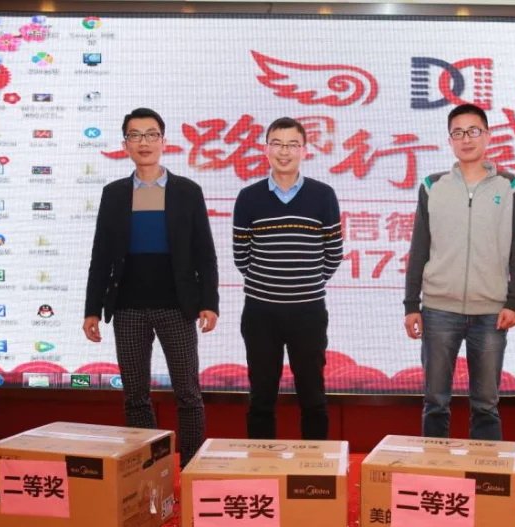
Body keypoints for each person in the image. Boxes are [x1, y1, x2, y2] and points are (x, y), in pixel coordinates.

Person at [83, 107, 219, 469]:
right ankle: (149, 471)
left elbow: (205, 253)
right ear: (125, 144)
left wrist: (209, 302)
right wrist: (92, 309)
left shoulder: (187, 191)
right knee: (135, 397)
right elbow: (101, 256)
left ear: (163, 141)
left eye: (151, 134)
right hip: (127, 308)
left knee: (188, 394)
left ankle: (191, 467)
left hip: (178, 306)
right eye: (135, 135)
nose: (144, 142)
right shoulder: (114, 194)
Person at [403, 103, 515, 440]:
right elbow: (419, 249)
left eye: (473, 131)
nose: (466, 139)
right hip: (438, 310)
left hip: (490, 312)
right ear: (450, 140)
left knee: (486, 405)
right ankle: (434, 467)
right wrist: (411, 304)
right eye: (458, 133)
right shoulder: (432, 186)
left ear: (487, 136)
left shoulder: (509, 186)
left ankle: (487, 472)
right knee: (435, 402)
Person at [233, 117, 343, 440]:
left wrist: (304, 284)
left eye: (292, 144)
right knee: (261, 399)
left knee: (313, 398)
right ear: (266, 149)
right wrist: (271, 285)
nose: (285, 152)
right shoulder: (248, 197)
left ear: (304, 150)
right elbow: (241, 255)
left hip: (308, 312)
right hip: (260, 313)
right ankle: (261, 465)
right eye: (277, 144)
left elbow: (333, 253)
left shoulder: (323, 195)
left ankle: (316, 465)